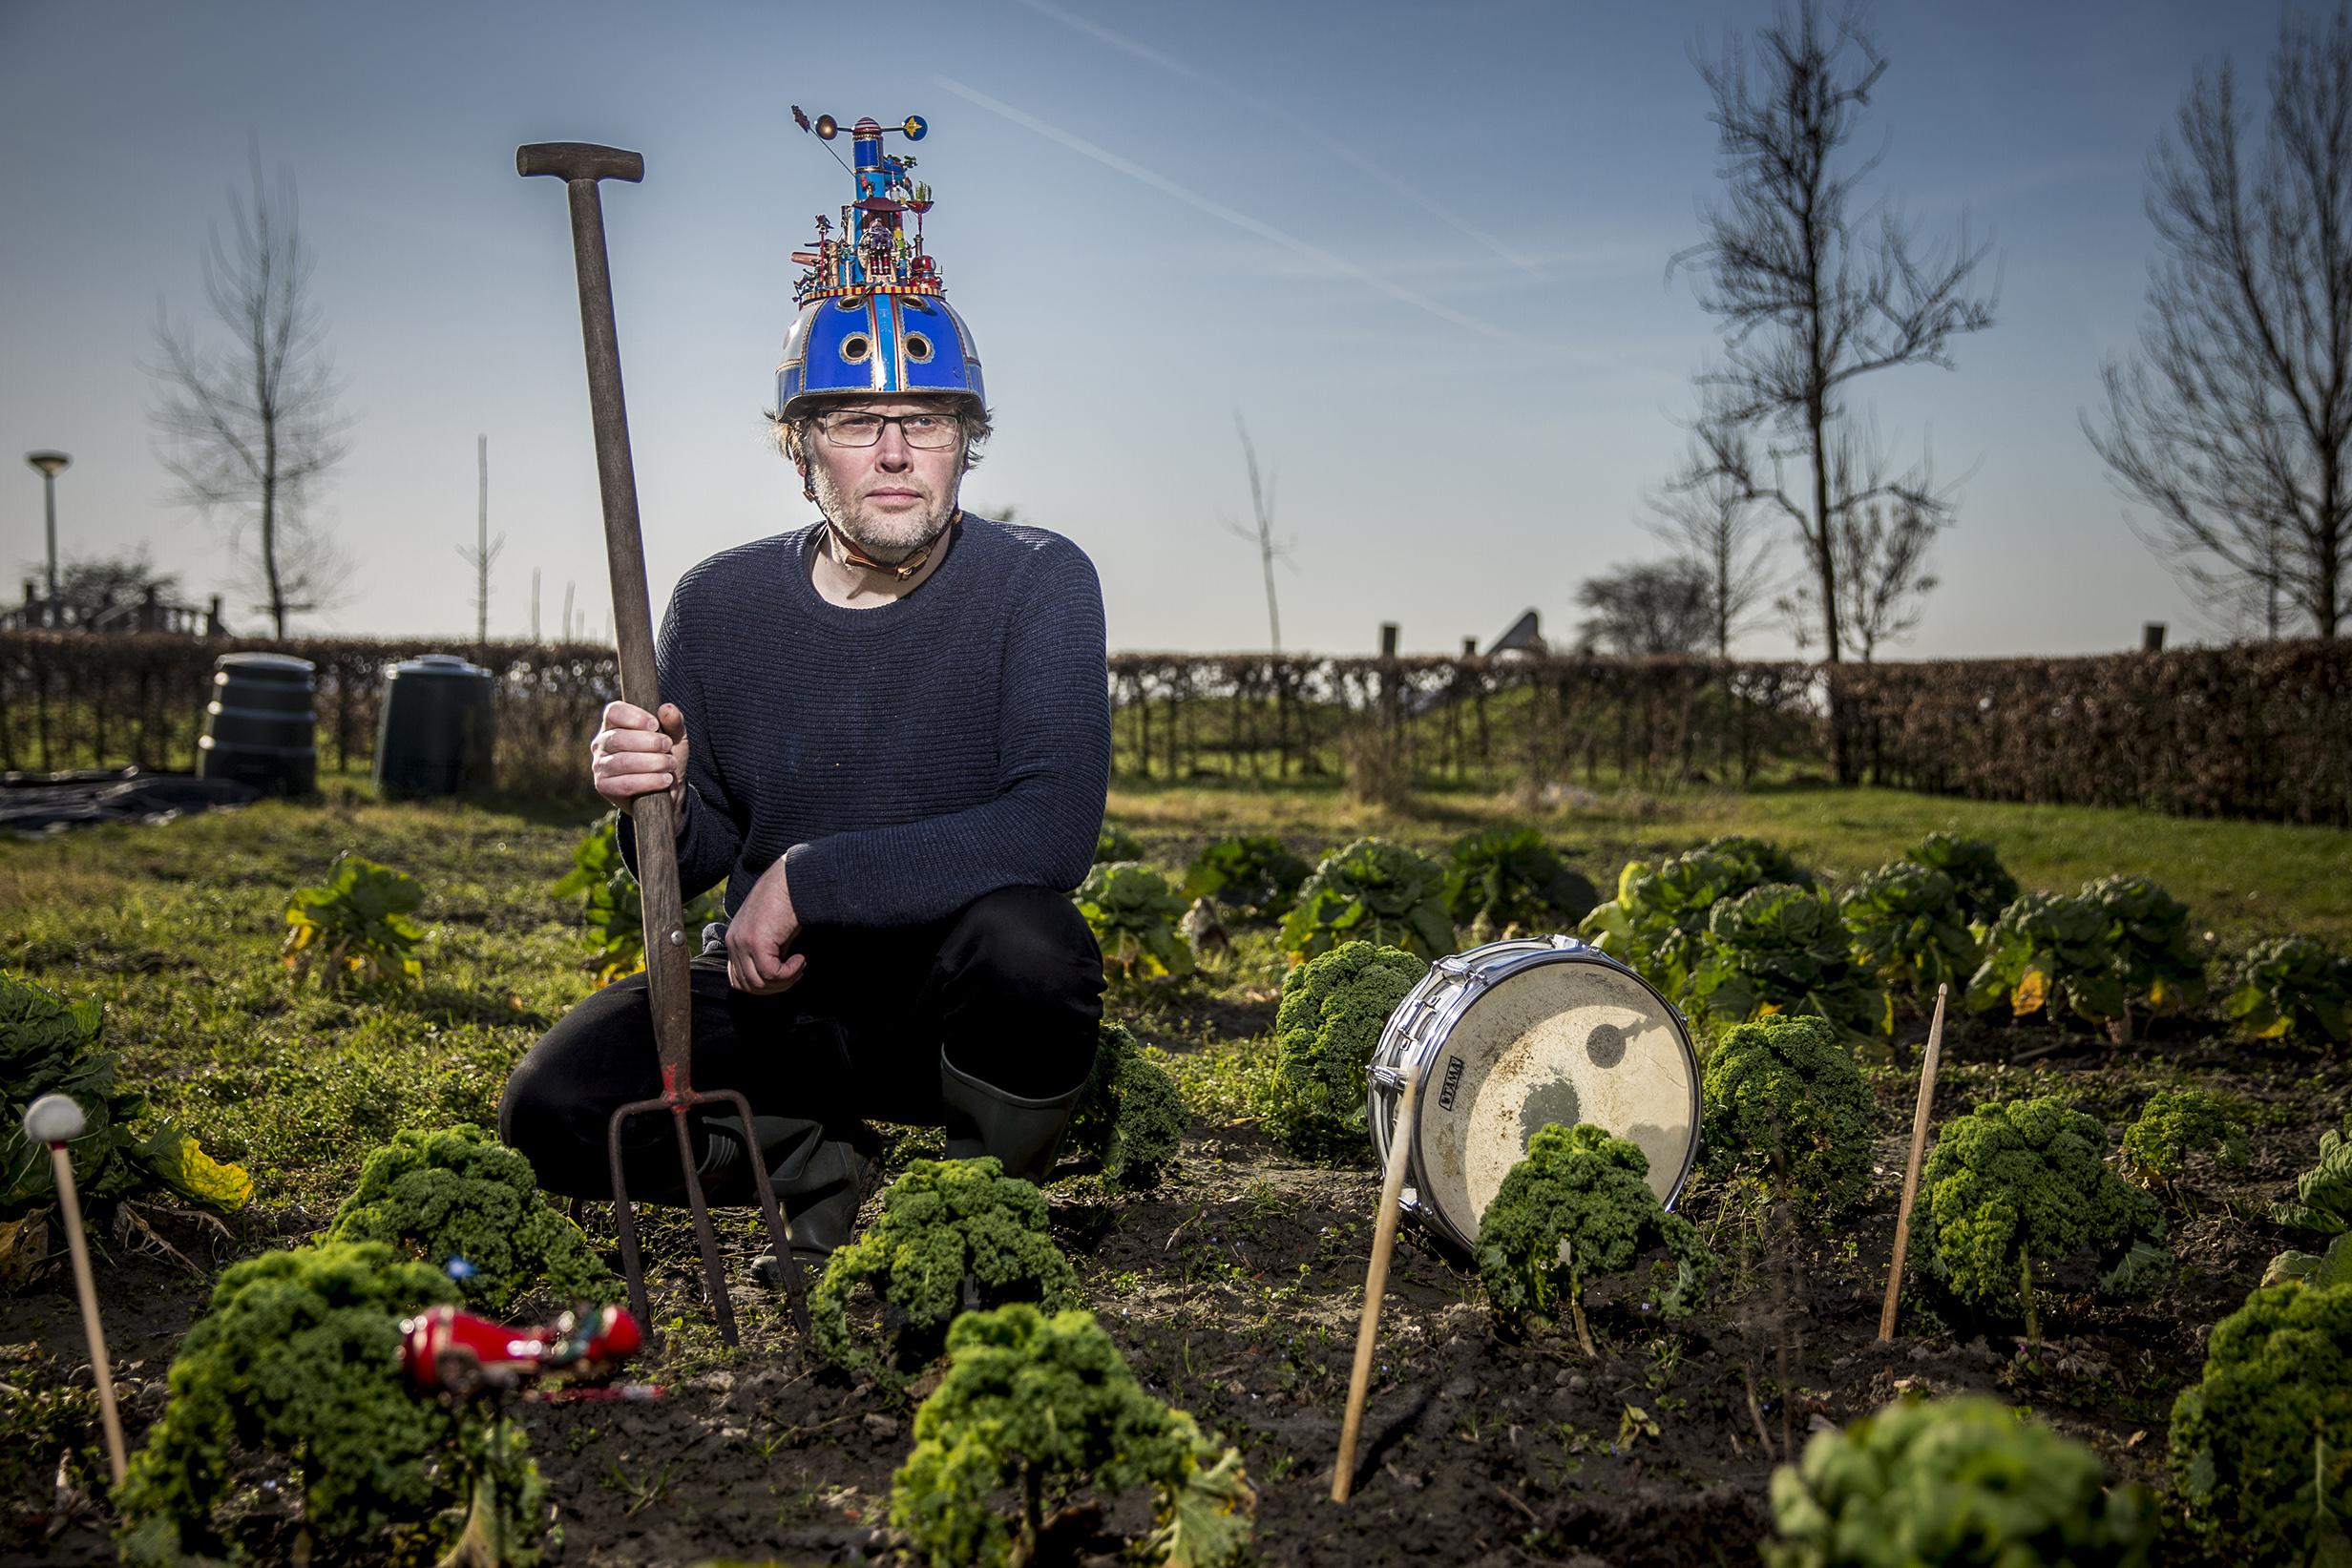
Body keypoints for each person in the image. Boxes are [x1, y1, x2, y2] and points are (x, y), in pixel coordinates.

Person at [499, 116, 1110, 1267]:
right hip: (782, 996)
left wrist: (811, 876)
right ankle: (812, 1160)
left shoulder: (1038, 581)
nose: (892, 451)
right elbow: (683, 862)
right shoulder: (719, 603)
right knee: (553, 1104)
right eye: (852, 421)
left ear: (963, 442)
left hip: (948, 999)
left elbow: (1051, 828)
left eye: (925, 422)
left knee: (1038, 943)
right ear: (800, 448)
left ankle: (979, 1208)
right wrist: (656, 799)